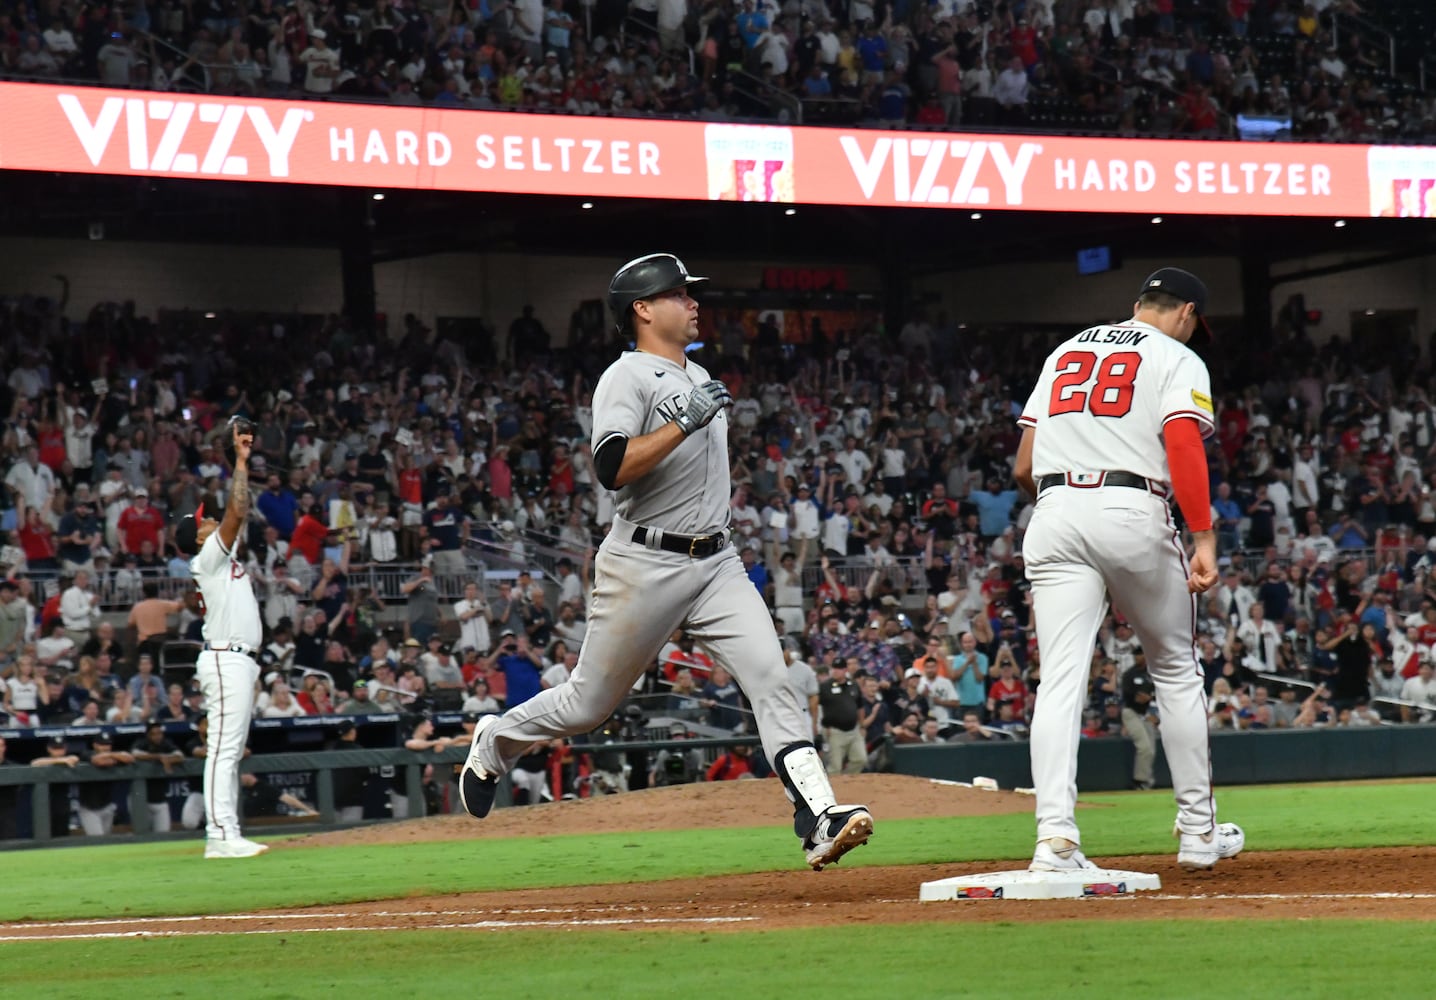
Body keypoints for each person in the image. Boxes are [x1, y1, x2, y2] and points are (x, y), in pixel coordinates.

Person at [459, 253, 872, 870]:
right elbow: (611, 468)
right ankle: (495, 739)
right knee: (587, 706)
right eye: (679, 294)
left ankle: (818, 814)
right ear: (643, 309)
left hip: (717, 563)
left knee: (772, 679)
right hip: (644, 562)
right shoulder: (625, 377)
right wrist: (682, 422)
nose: (694, 302)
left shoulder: (696, 373)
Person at [1014, 267, 1244, 873]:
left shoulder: (1067, 348)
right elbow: (1184, 445)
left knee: (1060, 682)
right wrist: (1204, 539)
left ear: (1138, 303)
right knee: (1173, 666)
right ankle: (1198, 833)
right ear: (1187, 312)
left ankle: (1055, 841)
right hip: (1131, 505)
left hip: (1054, 508)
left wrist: (1068, 500)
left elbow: (1023, 464)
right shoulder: (1176, 356)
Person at [174, 418, 269, 859]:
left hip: (236, 659)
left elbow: (233, 513)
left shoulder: (216, 555)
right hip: (225, 658)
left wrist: (240, 461)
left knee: (229, 752)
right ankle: (219, 835)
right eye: (203, 521)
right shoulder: (207, 557)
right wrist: (241, 461)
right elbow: (237, 511)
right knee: (222, 751)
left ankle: (227, 831)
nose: (209, 520)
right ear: (195, 538)